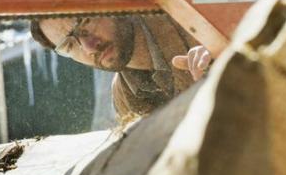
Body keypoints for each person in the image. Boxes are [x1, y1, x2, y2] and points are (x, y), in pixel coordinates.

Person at [30, 13, 211, 121]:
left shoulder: (200, 31)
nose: (89, 47)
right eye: (70, 46)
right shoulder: (123, 95)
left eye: (85, 21)